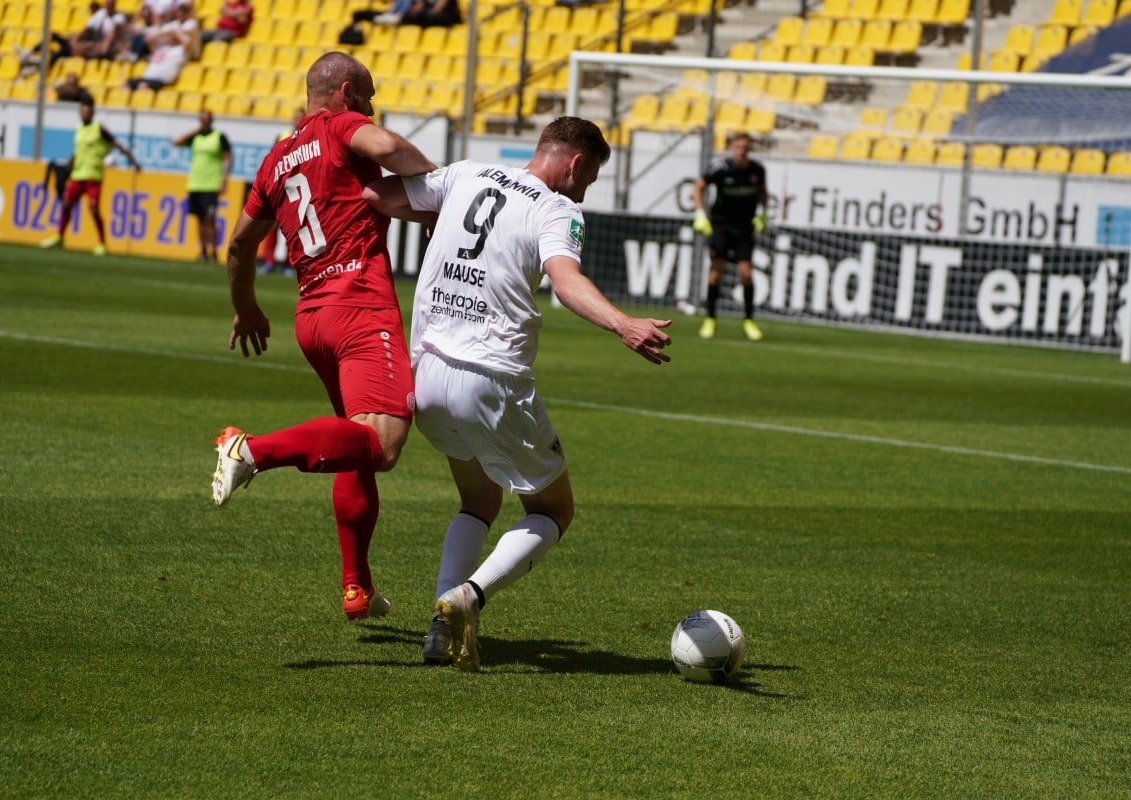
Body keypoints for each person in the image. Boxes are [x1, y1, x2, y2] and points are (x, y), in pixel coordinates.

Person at [363, 116, 673, 671]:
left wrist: (432, 212)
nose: (585, 191)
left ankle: (440, 621)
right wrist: (623, 324)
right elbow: (566, 279)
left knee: (478, 500)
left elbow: (377, 194)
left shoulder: (464, 174)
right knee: (555, 509)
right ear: (575, 163)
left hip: (428, 376)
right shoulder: (556, 208)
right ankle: (468, 597)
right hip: (493, 381)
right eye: (590, 179)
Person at [209, 52, 438, 621]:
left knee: (353, 444)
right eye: (366, 97)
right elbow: (389, 150)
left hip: (312, 317)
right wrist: (443, 190)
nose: (371, 108)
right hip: (360, 306)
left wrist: (246, 310)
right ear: (340, 92)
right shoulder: (340, 128)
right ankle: (250, 450)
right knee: (381, 445)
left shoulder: (277, 159)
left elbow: (238, 246)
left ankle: (357, 586)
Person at [40, 97, 141, 256]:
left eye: (87, 110)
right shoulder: (79, 129)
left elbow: (116, 144)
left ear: (92, 112)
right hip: (77, 175)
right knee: (66, 204)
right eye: (82, 109)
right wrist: (69, 163)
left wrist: (133, 161)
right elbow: (78, 150)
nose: (84, 113)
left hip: (94, 176)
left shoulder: (99, 128)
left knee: (93, 209)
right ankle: (59, 236)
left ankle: (102, 243)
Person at [691, 132, 767, 342]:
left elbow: (763, 192)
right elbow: (698, 187)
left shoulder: (757, 170)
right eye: (737, 147)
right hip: (721, 226)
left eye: (745, 147)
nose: (741, 151)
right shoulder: (720, 168)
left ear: (749, 149)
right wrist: (699, 213)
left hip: (744, 228)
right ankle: (710, 319)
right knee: (715, 274)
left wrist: (763, 212)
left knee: (746, 274)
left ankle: (749, 320)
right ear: (732, 148)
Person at [173, 109, 232, 263]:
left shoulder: (219, 137)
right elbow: (176, 141)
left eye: (207, 119)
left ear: (212, 121)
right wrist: (196, 131)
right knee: (199, 219)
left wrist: (224, 180)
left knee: (210, 219)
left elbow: (228, 159)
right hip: (195, 184)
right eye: (202, 119)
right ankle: (203, 251)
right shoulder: (196, 137)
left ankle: (213, 253)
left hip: (211, 184)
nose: (205, 122)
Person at [257, 105, 306, 276]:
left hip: (297, 186)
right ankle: (269, 261)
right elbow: (273, 159)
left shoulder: (307, 137)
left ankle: (287, 263)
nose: (297, 120)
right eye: (296, 116)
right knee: (273, 226)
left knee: (291, 229)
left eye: (301, 117)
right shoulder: (282, 135)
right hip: (281, 186)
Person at [126, 20, 191, 90]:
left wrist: (176, 32)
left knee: (143, 86)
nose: (170, 37)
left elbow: (187, 41)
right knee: (125, 84)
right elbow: (148, 39)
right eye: (169, 36)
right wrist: (166, 31)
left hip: (162, 80)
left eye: (173, 36)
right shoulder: (161, 48)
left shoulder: (180, 50)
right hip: (147, 78)